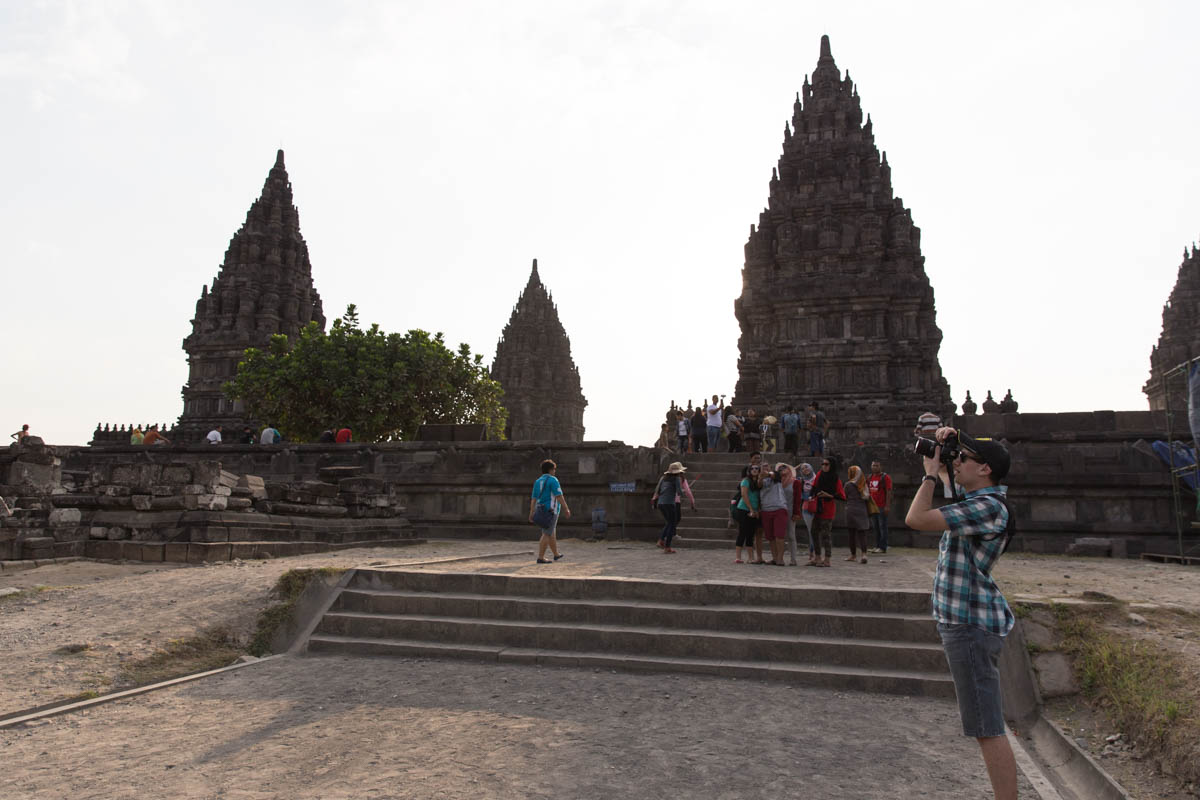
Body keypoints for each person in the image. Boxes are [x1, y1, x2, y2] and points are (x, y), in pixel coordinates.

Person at [905, 427, 1017, 800]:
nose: (956, 462)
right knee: (984, 723)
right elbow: (951, 496)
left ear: (985, 470)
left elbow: (916, 518)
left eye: (964, 459)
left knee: (986, 726)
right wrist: (944, 458)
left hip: (971, 624)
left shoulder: (987, 507)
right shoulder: (979, 502)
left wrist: (927, 476)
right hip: (966, 622)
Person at [529, 459, 570, 564]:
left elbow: (534, 498)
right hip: (551, 510)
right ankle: (541, 557)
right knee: (547, 533)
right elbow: (559, 496)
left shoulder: (538, 481)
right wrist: (566, 508)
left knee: (551, 532)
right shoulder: (553, 480)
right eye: (554, 469)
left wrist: (531, 512)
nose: (555, 471)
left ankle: (556, 554)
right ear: (550, 470)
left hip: (541, 510)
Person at [808, 455, 844, 567]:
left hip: (828, 509)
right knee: (814, 532)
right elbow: (813, 488)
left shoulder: (835, 478)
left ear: (831, 465)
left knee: (826, 535)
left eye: (826, 464)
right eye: (822, 464)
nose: (824, 466)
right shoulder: (819, 474)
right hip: (818, 507)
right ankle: (817, 557)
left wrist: (828, 495)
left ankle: (827, 558)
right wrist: (813, 495)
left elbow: (842, 496)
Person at [652, 462, 694, 553]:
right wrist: (684, 491)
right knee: (672, 524)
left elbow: (658, 490)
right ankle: (667, 546)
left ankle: (661, 540)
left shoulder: (663, 478)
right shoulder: (677, 479)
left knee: (669, 523)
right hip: (669, 504)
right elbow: (679, 492)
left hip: (661, 503)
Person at [758, 462, 794, 566]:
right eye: (763, 466)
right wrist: (761, 477)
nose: (765, 467)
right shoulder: (759, 478)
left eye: (766, 465)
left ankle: (780, 558)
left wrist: (767, 474)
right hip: (766, 509)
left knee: (779, 535)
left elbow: (775, 476)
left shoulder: (776, 474)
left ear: (770, 467)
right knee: (770, 536)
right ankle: (774, 557)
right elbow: (759, 485)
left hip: (779, 507)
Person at [732, 462, 762, 564]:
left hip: (754, 510)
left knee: (751, 533)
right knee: (742, 532)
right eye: (752, 468)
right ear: (749, 471)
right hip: (744, 509)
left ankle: (751, 557)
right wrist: (751, 509)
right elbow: (744, 495)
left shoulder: (758, 483)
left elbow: (759, 498)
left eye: (757, 468)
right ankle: (738, 557)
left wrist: (757, 510)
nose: (754, 470)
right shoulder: (745, 481)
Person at [844, 465, 870, 563]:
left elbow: (844, 496)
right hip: (862, 509)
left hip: (850, 509)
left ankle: (853, 555)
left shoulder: (848, 485)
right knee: (862, 533)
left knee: (851, 534)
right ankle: (864, 554)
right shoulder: (863, 484)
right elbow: (867, 497)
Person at [867, 460, 893, 554]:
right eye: (873, 465)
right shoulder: (870, 477)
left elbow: (888, 491)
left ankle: (883, 546)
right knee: (876, 527)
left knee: (883, 526)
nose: (875, 467)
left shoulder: (885, 477)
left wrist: (887, 505)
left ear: (880, 467)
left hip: (882, 505)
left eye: (877, 466)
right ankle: (877, 545)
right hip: (873, 505)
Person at [795, 462, 818, 565]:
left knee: (817, 531)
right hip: (806, 507)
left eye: (807, 467)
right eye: (803, 468)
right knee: (811, 531)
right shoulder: (801, 480)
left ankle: (816, 553)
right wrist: (796, 467)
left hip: (817, 507)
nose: (805, 469)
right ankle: (812, 552)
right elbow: (790, 474)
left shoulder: (817, 478)